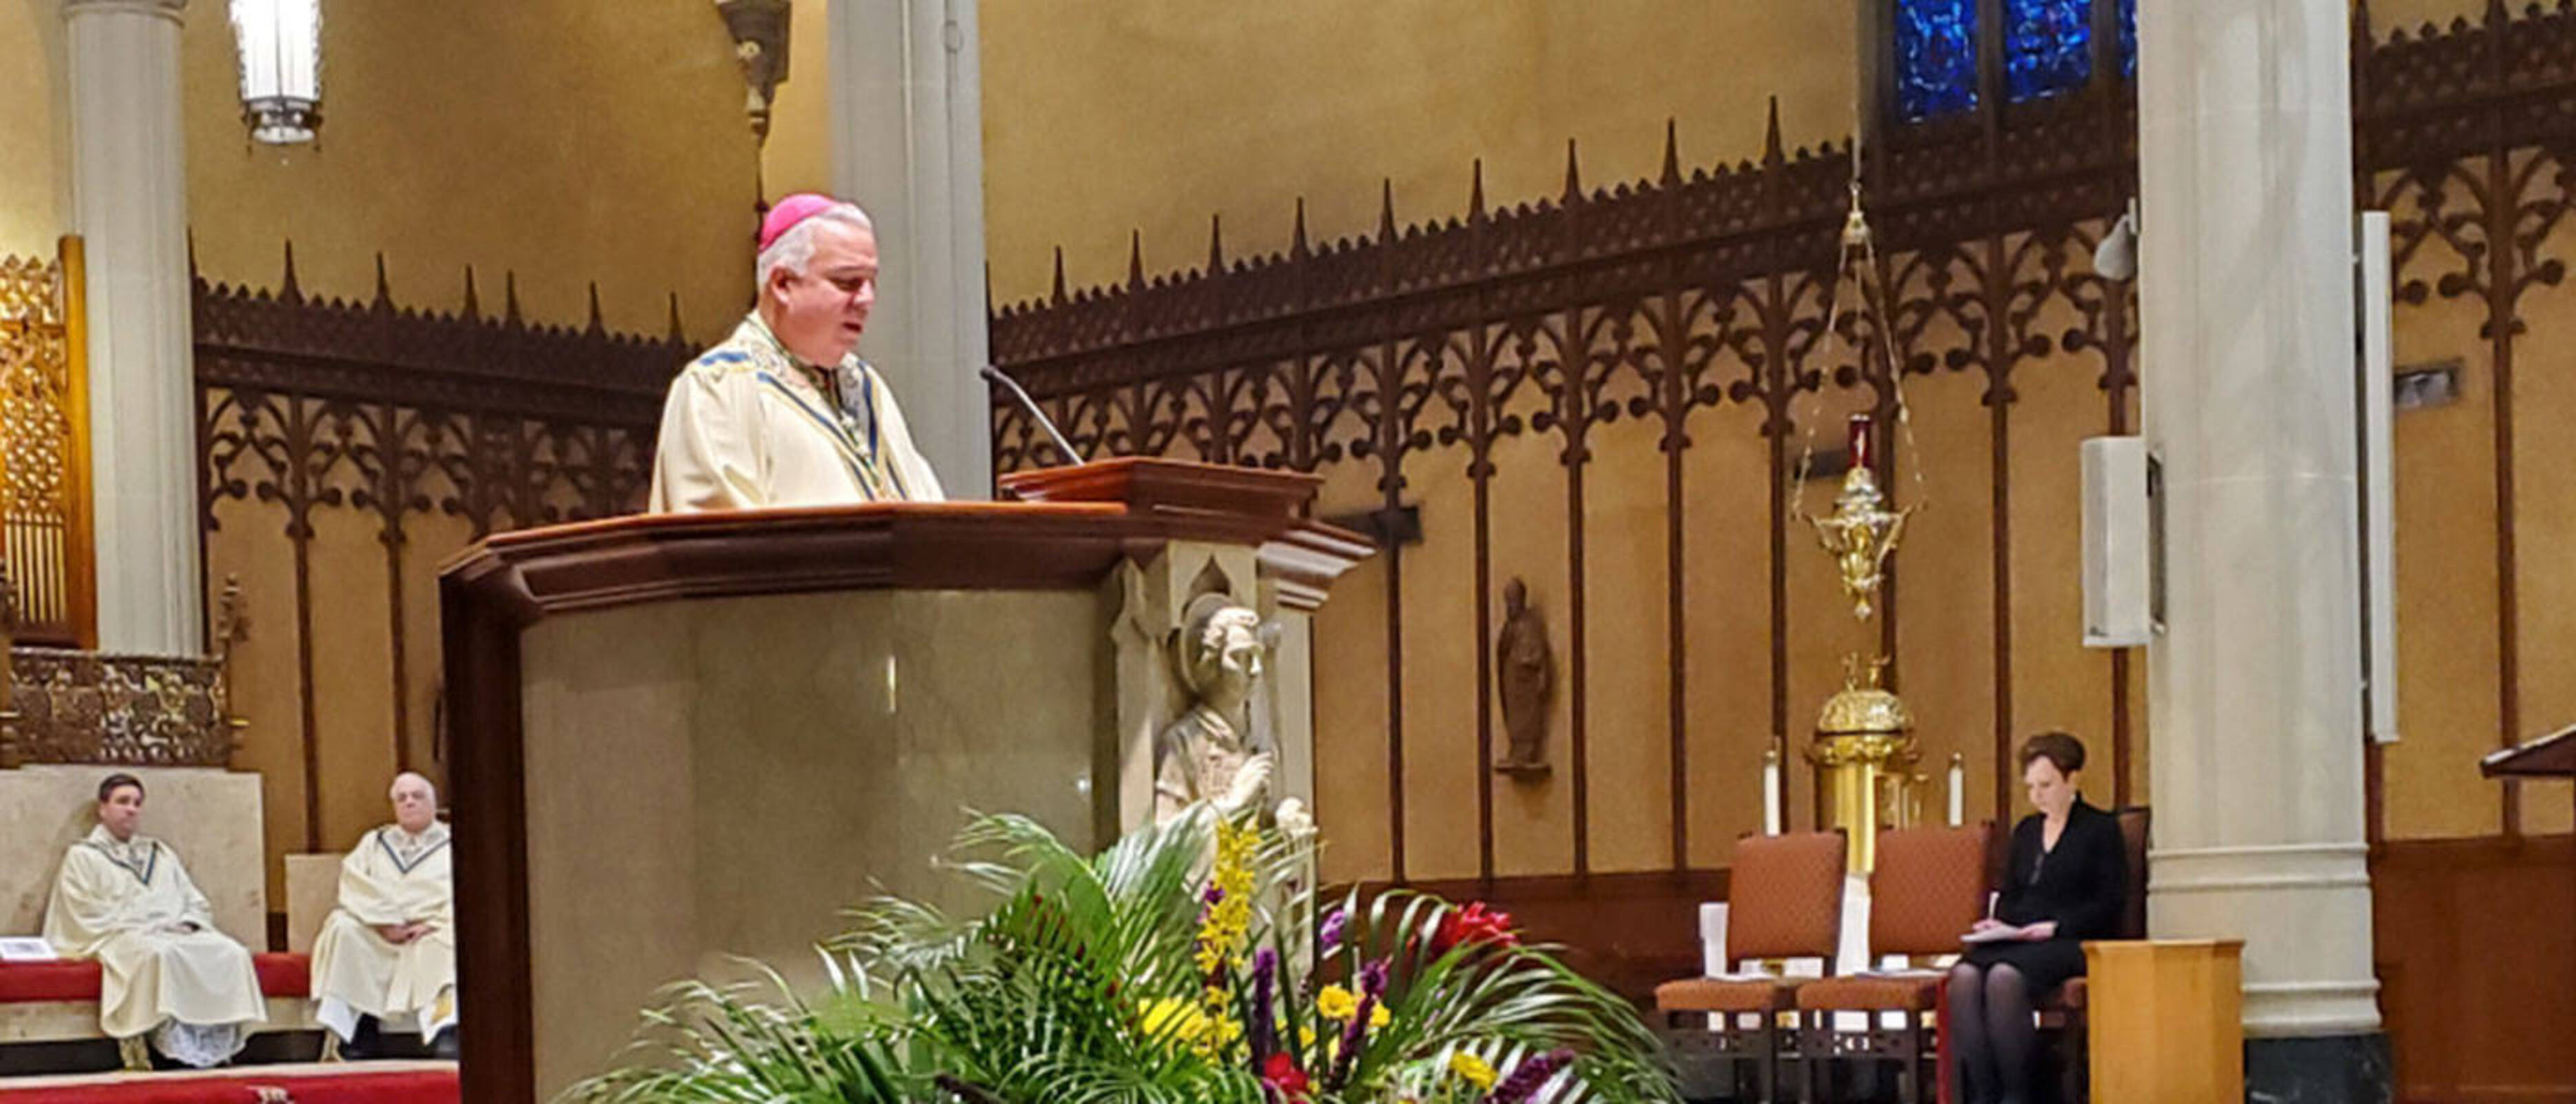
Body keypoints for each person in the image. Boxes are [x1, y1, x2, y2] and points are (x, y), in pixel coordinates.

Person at [649, 193, 945, 511]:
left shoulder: (866, 386)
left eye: (872, 283)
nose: (866, 300)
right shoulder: (717, 388)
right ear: (783, 284)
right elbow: (718, 532)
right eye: (848, 282)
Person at [1947, 732, 2128, 1104]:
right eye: (2031, 787)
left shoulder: (2100, 829)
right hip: (2022, 937)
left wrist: (2055, 927)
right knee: (1963, 977)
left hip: (2071, 939)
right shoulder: (2027, 831)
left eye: (2046, 786)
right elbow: (2011, 894)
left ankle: (2019, 1094)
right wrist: (2000, 924)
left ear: (2072, 779)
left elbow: (2109, 902)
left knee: (2003, 978)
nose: (2037, 796)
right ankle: (1984, 1093)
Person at [43, 773, 266, 1070]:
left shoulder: (159, 853)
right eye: (123, 802)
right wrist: (145, 927)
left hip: (175, 931)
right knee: (158, 955)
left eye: (137, 803)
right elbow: (81, 911)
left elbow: (194, 900)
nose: (131, 809)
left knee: (231, 952)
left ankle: (216, 1046)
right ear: (103, 809)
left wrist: (189, 923)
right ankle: (163, 1051)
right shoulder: (83, 856)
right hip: (120, 935)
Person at [310, 771, 455, 1061]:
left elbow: (474, 889)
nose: (409, 802)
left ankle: (446, 1030)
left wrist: (432, 923)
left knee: (453, 939)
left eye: (417, 796)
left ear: (433, 802)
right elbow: (354, 883)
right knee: (342, 927)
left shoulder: (455, 842)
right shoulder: (374, 842)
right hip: (380, 930)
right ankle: (357, 1031)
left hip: (433, 928)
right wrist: (384, 921)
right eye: (402, 798)